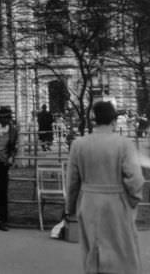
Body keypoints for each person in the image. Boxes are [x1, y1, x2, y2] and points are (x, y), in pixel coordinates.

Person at [65, 100, 145, 274]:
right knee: (121, 250)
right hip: (117, 202)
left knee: (93, 249)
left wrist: (70, 206)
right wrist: (132, 200)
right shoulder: (124, 144)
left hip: (89, 202)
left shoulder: (79, 144)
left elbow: (72, 181)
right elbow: (136, 178)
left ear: (94, 120)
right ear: (113, 121)